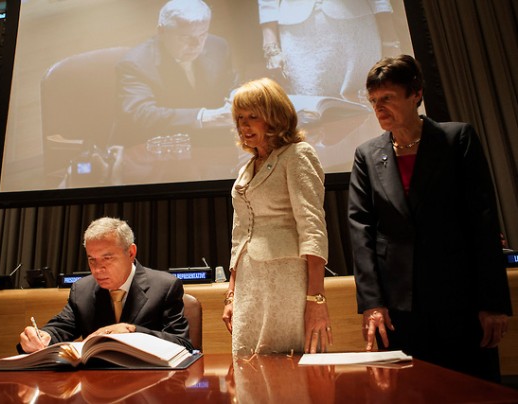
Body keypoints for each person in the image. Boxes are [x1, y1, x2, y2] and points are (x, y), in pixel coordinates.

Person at [348, 54, 512, 382]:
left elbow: (483, 221)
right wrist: (372, 303)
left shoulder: (456, 139)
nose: (379, 108)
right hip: (398, 310)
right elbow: (360, 229)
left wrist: (493, 302)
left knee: (472, 392)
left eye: (388, 99)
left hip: (460, 302)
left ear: (416, 94)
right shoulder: (367, 154)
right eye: (374, 101)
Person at [221, 77, 331, 355]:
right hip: (250, 283)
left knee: (287, 371)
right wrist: (232, 293)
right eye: (240, 118)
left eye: (253, 117)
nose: (244, 126)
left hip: (287, 282)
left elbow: (313, 228)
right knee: (249, 366)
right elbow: (240, 234)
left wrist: (316, 298)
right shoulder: (247, 168)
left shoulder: (297, 155)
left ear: (275, 117)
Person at [19, 217, 193, 353]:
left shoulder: (165, 287)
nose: (97, 270)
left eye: (107, 259)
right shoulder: (82, 290)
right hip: (97, 387)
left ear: (131, 252)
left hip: (149, 384)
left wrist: (133, 331)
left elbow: (183, 344)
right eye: (92, 260)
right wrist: (42, 336)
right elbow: (60, 328)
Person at [114, 0, 239, 184]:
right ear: (161, 31)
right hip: (157, 159)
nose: (196, 44)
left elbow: (231, 83)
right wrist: (207, 117)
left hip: (212, 148)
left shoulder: (218, 46)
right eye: (185, 37)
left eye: (203, 34)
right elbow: (142, 115)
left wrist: (237, 95)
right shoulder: (134, 64)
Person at [257, 0, 398, 100]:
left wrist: (390, 39)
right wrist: (271, 47)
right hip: (298, 37)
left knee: (367, 97)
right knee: (314, 106)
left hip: (356, 29)